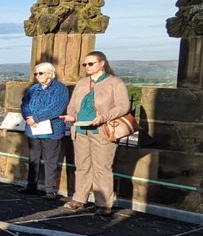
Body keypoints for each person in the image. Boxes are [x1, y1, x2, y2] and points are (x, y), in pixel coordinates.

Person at [60, 50, 130, 217]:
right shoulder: (83, 82)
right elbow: (72, 104)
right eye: (85, 64)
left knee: (102, 167)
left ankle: (104, 203)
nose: (87, 67)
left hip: (102, 130)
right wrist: (71, 116)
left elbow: (123, 106)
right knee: (82, 165)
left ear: (102, 63)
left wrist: (104, 117)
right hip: (81, 128)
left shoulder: (115, 83)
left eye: (90, 63)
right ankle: (79, 198)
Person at [20, 61, 69, 199]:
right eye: (36, 73)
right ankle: (31, 186)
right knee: (33, 159)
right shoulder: (33, 89)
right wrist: (28, 117)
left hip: (52, 130)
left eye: (40, 73)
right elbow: (24, 103)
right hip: (33, 129)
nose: (37, 76)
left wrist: (36, 118)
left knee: (50, 161)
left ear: (49, 73)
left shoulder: (60, 89)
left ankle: (50, 191)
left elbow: (56, 108)